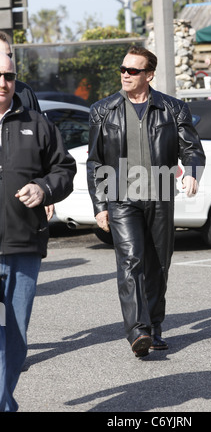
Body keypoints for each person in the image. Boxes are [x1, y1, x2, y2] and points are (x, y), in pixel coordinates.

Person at [87, 45, 206, 357]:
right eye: (123, 69)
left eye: (133, 70)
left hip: (161, 191)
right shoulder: (103, 110)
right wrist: (101, 205)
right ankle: (138, 331)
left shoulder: (173, 109)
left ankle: (154, 327)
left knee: (157, 264)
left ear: (149, 75)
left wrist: (192, 172)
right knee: (131, 260)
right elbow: (96, 162)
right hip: (122, 195)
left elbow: (192, 148)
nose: (125, 75)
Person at [0, 53, 76, 412]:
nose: (3, 82)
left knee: (16, 339)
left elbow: (64, 169)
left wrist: (44, 189)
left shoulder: (38, 124)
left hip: (24, 247)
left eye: (9, 75)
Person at [0, 33, 41, 112]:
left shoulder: (24, 92)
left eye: (9, 56)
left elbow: (38, 122)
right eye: (2, 56)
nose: (7, 60)